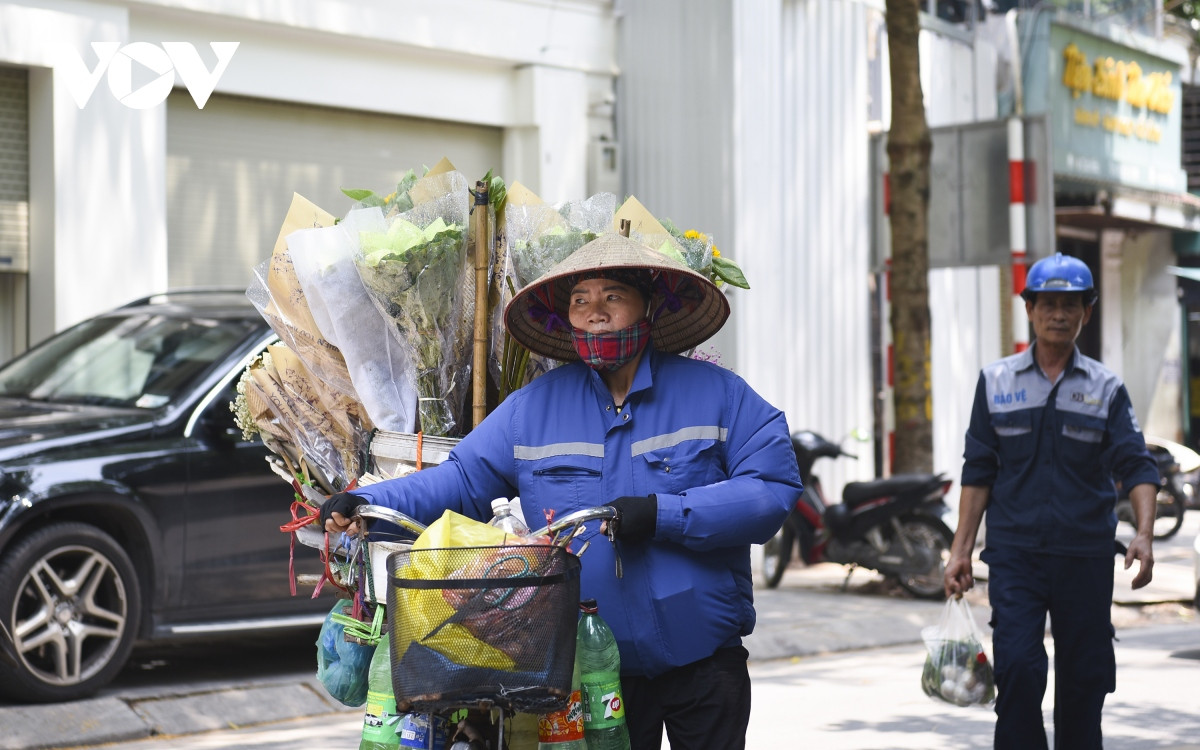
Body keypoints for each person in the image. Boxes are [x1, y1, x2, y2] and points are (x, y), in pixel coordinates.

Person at [322, 232, 803, 749]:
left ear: (650, 307)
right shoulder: (533, 410)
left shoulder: (719, 395)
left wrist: (664, 513)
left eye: (613, 296)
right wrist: (369, 503)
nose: (595, 312)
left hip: (705, 660)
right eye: (580, 300)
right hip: (592, 667)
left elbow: (771, 490)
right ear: (567, 319)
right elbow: (461, 480)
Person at [943, 252, 1160, 750]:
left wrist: (1144, 536)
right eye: (1048, 303)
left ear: (1087, 311)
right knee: (1017, 669)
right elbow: (978, 471)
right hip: (1016, 556)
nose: (1058, 314)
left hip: (1084, 557)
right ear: (1030, 308)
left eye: (1070, 304)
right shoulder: (995, 382)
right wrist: (959, 551)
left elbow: (1136, 465)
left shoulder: (1107, 388)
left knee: (1084, 681)